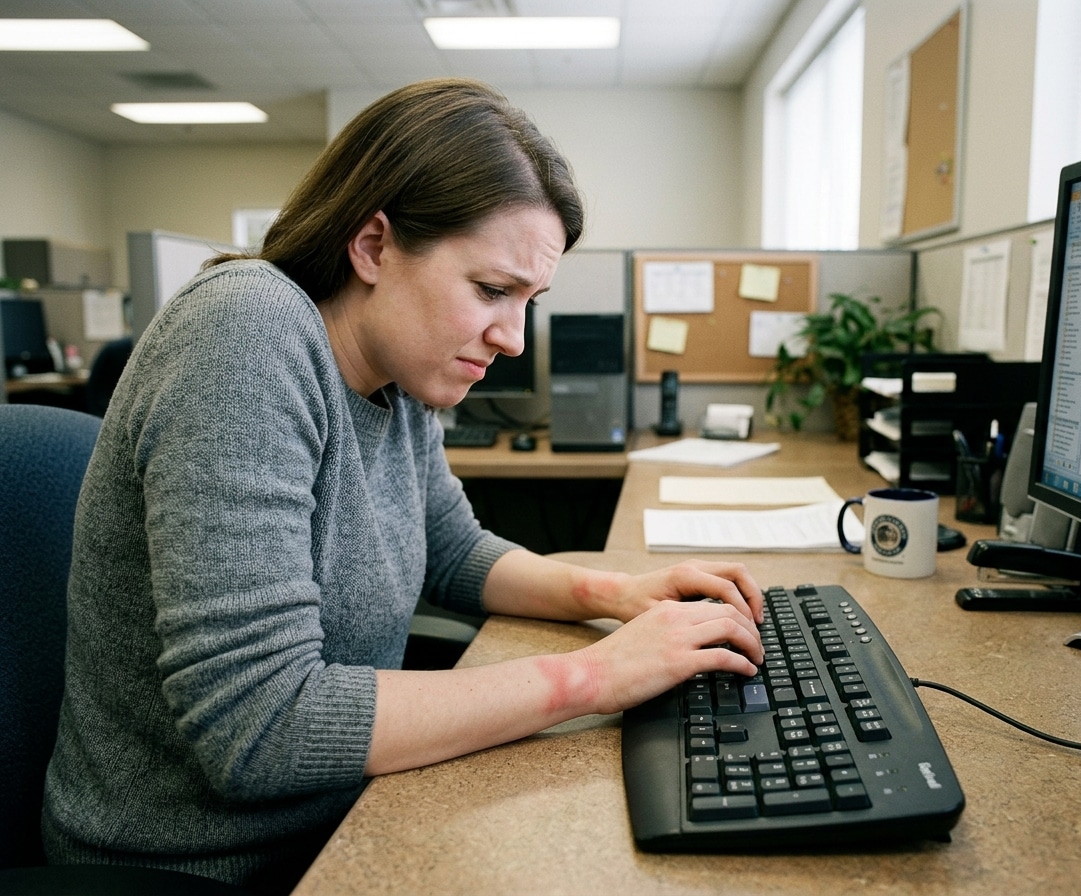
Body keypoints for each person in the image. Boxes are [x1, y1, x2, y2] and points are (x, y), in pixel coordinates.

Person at [42, 78, 764, 894]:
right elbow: (259, 725)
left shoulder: (400, 372)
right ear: (375, 246)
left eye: (529, 299)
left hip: (350, 813)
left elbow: (450, 552)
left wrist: (617, 593)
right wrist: (598, 677)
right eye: (493, 290)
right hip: (201, 863)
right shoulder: (243, 335)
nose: (514, 338)